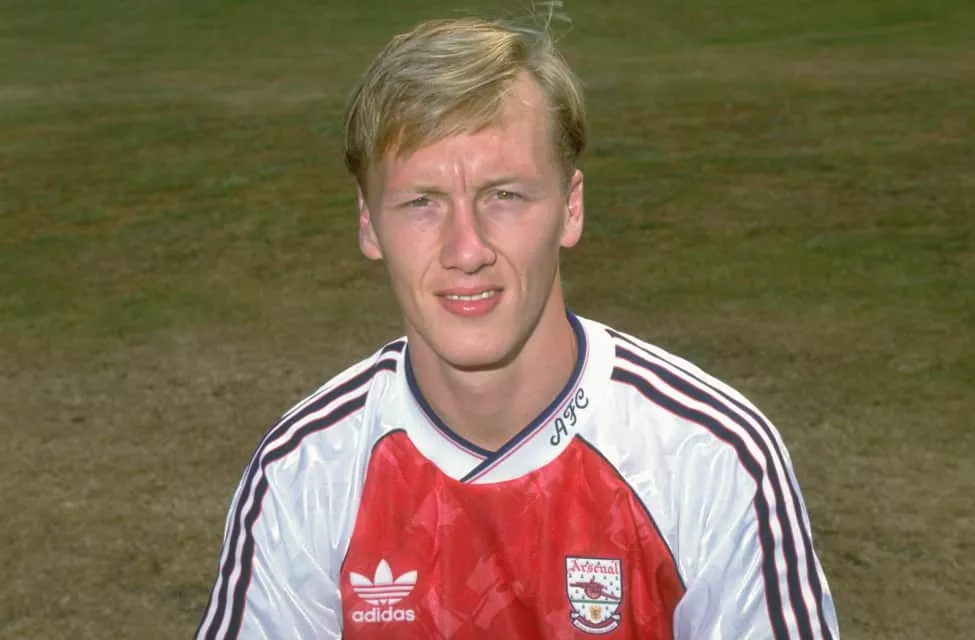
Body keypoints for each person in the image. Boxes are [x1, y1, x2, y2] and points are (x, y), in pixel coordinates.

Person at [195, 13, 840, 640]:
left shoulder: (709, 456)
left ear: (571, 208)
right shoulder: (307, 470)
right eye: (421, 202)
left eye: (504, 195)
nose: (466, 249)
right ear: (369, 224)